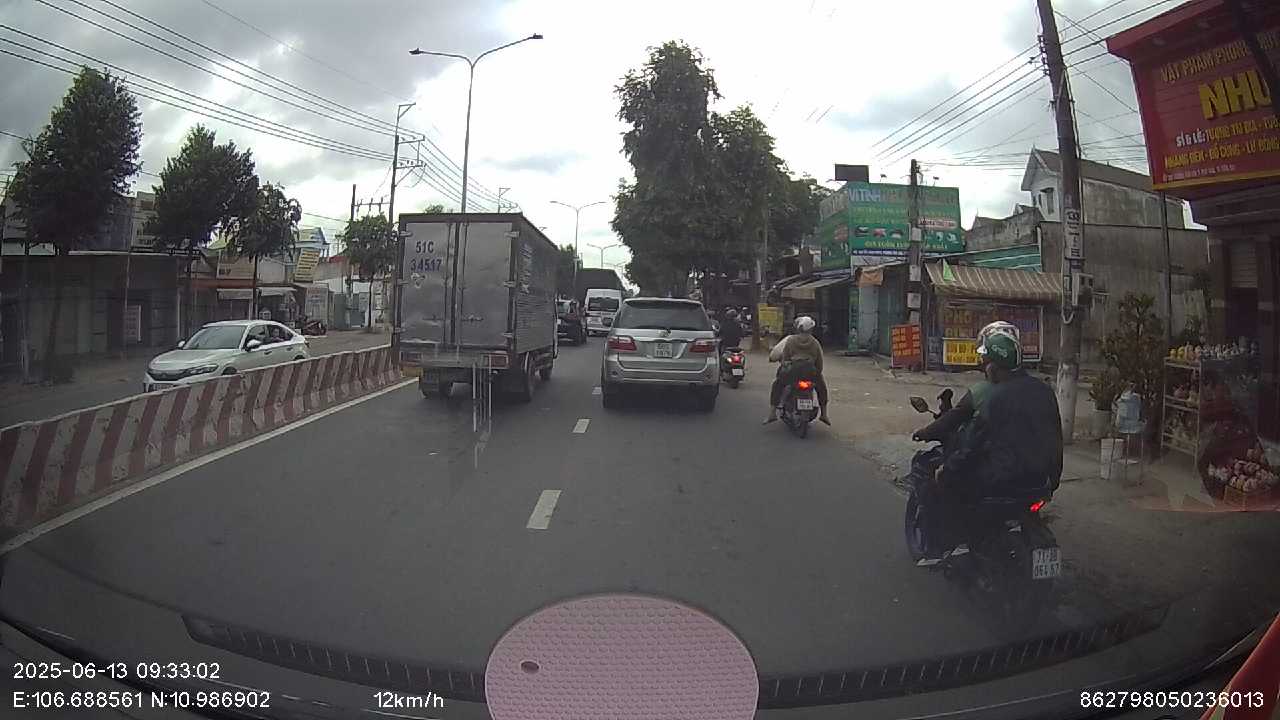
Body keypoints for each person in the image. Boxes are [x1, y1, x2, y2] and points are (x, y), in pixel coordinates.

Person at [913, 321, 1020, 442]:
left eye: (985, 357)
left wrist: (926, 432)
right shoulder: (1034, 387)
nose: (981, 361)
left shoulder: (983, 390)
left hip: (991, 450)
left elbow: (955, 417)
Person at [764, 315, 830, 425]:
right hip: (810, 373)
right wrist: (818, 374)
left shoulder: (791, 340)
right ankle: (824, 414)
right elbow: (819, 362)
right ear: (811, 329)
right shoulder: (815, 342)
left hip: (792, 372)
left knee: (777, 384)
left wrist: (785, 366)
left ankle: (772, 413)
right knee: (821, 388)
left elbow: (785, 358)